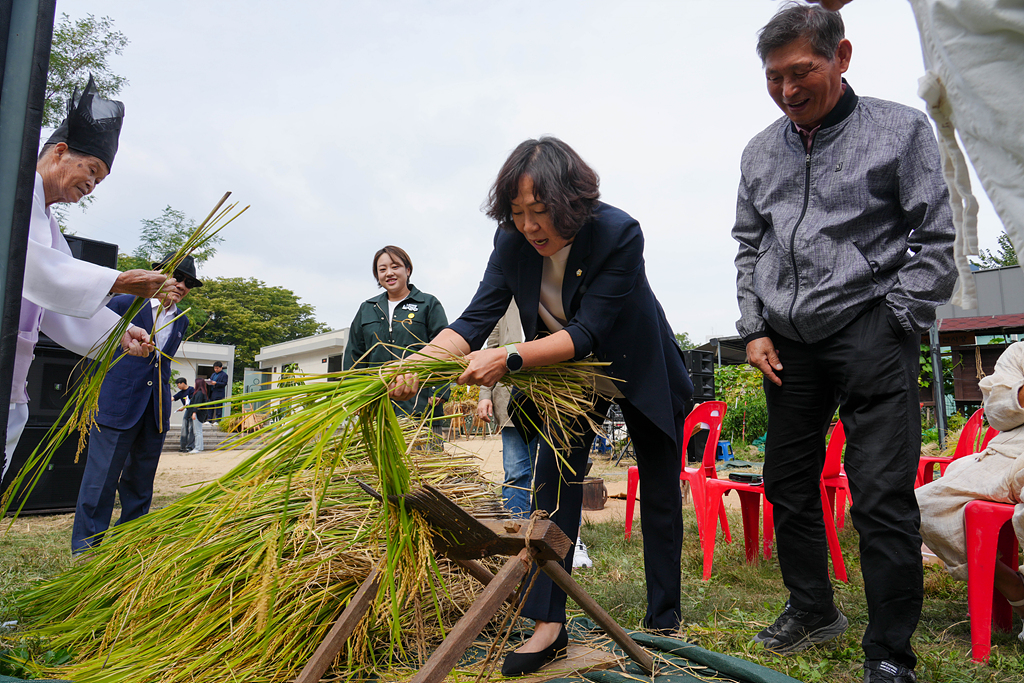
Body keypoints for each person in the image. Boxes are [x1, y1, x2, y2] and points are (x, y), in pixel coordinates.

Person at [390, 137, 693, 676]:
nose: (530, 226)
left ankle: (663, 618)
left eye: (540, 210)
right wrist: (420, 360)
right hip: (568, 384)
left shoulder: (618, 232)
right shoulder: (510, 243)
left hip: (639, 371)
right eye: (517, 213)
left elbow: (587, 332)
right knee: (552, 489)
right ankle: (549, 625)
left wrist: (507, 358)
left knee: (662, 492)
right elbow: (474, 317)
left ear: (572, 201)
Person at [731, 5, 957, 682]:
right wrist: (754, 327)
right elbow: (749, 245)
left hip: (870, 327)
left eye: (802, 72)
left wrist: (895, 316)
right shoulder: (758, 151)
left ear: (842, 56)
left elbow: (937, 241)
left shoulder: (899, 130)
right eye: (774, 78)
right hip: (787, 343)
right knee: (787, 482)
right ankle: (813, 607)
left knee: (880, 494)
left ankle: (889, 652)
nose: (788, 90)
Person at [4, 77, 170, 481]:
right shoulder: (12, 195)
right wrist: (117, 282)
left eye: (99, 180)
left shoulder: (47, 222)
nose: (91, 185)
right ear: (60, 152)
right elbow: (29, 267)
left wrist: (120, 333)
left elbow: (55, 302)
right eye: (91, 170)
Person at [71, 253, 198, 553]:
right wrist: (96, 395)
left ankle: (129, 549)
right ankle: (86, 550)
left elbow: (160, 365)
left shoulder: (183, 319)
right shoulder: (124, 304)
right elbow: (94, 351)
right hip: (117, 404)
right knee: (100, 481)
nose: (181, 284)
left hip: (155, 410)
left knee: (140, 485)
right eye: (177, 276)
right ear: (156, 272)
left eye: (189, 282)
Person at [916, 341, 1024, 643]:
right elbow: (998, 413)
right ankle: (1013, 586)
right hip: (1007, 456)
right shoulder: (1018, 353)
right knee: (924, 503)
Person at [343, 246, 450, 423]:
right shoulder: (367, 308)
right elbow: (355, 355)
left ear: (407, 270)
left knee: (425, 450)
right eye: (382, 269)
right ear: (377, 276)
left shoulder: (428, 304)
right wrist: (353, 393)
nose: (389, 273)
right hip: (378, 406)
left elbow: (444, 347)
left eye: (395, 267)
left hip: (421, 404)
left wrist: (440, 390)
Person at [173, 377, 195, 453]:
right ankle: (183, 446)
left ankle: (190, 446)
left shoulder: (191, 390)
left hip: (192, 411)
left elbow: (192, 401)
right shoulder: (181, 392)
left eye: (178, 385)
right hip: (187, 411)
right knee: (184, 428)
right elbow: (173, 398)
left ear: (182, 383)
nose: (178, 387)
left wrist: (184, 407)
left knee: (191, 429)